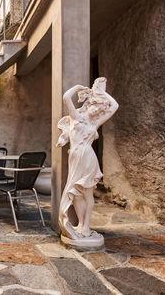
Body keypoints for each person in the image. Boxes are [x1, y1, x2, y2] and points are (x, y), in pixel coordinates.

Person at [57, 77, 119, 239]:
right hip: (75, 156)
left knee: (87, 193)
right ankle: (80, 225)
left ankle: (86, 226)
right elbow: (66, 98)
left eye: (96, 108)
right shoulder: (76, 116)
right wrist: (77, 87)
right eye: (92, 106)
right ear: (86, 106)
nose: (94, 110)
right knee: (76, 192)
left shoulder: (94, 124)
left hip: (87, 157)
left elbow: (114, 106)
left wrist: (102, 93)